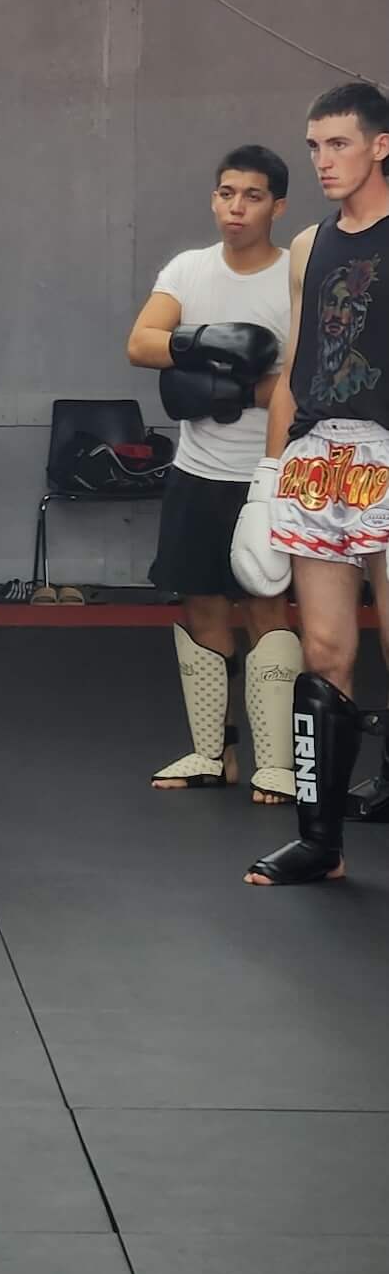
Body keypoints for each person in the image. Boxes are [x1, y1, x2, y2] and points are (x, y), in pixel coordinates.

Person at [234, 83, 389, 886]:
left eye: (337, 144)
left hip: (387, 453)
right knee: (324, 648)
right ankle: (319, 843)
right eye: (314, 146)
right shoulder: (307, 245)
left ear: (379, 146)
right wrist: (267, 475)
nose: (323, 160)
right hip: (318, 455)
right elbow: (297, 366)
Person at [126, 146, 297, 801]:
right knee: (199, 604)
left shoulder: (291, 277)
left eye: (251, 196)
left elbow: (296, 381)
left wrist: (231, 396)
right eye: (226, 193)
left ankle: (274, 762)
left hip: (266, 473)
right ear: (212, 198)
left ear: (276, 206)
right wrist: (203, 344)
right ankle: (211, 753)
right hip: (197, 470)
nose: (235, 207)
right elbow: (141, 341)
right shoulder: (187, 269)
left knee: (263, 605)